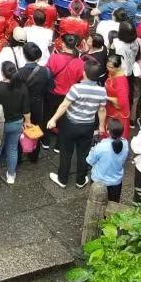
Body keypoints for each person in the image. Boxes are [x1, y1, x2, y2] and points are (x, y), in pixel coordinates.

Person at [46, 60, 108, 189]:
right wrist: (101, 126)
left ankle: (62, 179)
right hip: (88, 126)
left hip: (71, 124)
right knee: (84, 153)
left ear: (84, 73)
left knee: (66, 152)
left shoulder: (76, 88)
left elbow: (64, 105)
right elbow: (101, 109)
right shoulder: (102, 91)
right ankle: (80, 180)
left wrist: (53, 119)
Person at [85, 119, 130, 202]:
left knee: (96, 206)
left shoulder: (102, 146)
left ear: (108, 131)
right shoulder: (125, 143)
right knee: (112, 205)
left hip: (99, 182)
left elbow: (89, 160)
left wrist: (93, 149)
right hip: (116, 182)